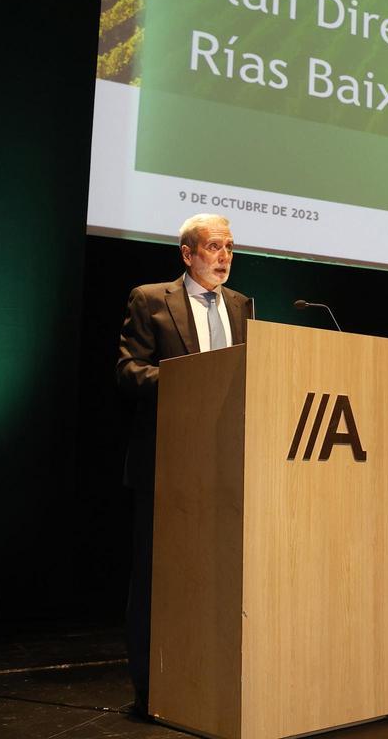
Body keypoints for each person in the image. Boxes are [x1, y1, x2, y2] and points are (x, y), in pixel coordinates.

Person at [115, 214, 251, 715]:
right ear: (187, 254)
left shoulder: (242, 305)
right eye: (214, 246)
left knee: (220, 575)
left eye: (230, 247)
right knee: (155, 578)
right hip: (165, 462)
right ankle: (150, 690)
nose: (224, 256)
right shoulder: (151, 299)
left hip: (227, 461)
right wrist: (191, 381)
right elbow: (129, 370)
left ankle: (212, 680)